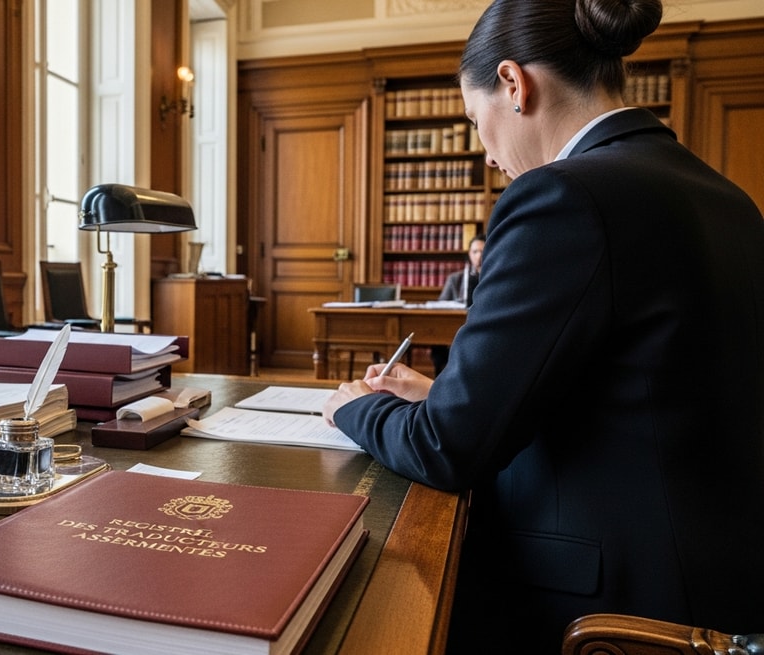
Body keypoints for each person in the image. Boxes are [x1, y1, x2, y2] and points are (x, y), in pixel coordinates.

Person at [322, 1, 764, 653]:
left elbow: (447, 449)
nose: (487, 152)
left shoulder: (564, 197)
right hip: (720, 576)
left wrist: (354, 408)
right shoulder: (723, 195)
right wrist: (442, 392)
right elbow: (639, 389)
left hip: (612, 609)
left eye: (477, 122)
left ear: (513, 84)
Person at [432, 234, 485, 373]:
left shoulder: (493, 280)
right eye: (475, 252)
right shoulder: (455, 279)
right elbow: (441, 305)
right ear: (469, 254)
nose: (479, 256)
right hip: (454, 325)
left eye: (482, 251)